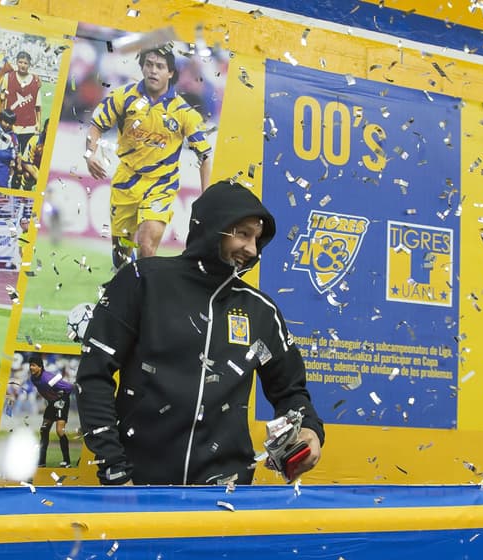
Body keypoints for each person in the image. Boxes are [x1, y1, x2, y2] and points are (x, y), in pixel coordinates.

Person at [77, 180, 323, 485]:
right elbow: (93, 376)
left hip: (227, 498)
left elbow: (290, 392)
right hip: (137, 487)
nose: (251, 248)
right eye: (243, 234)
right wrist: (113, 468)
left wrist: (309, 429)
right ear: (212, 227)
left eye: (257, 239)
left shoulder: (261, 310)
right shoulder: (142, 281)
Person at [85, 45, 212, 264]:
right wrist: (90, 154)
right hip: (126, 181)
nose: (153, 70)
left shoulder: (184, 112)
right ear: (142, 67)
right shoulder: (123, 96)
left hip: (160, 185)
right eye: (149, 65)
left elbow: (205, 155)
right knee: (121, 256)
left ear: (170, 73)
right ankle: (126, 276)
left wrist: (207, 196)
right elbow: (96, 125)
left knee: (146, 245)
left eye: (160, 66)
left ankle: (144, 294)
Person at [26, 352, 74, 467]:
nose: (31, 367)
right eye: (30, 365)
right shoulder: (33, 378)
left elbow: (69, 387)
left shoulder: (48, 378)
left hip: (62, 401)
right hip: (52, 403)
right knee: (44, 430)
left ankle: (67, 462)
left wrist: (61, 400)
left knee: (59, 431)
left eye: (33, 365)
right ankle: (41, 462)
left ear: (40, 367)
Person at [1, 50, 42, 154]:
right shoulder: (8, 77)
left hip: (28, 127)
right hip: (11, 125)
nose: (22, 65)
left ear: (29, 64)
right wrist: (1, 119)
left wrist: (39, 123)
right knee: (8, 152)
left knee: (23, 155)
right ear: (16, 62)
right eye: (20, 62)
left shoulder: (35, 81)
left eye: (25, 63)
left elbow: (38, 105)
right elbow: (2, 100)